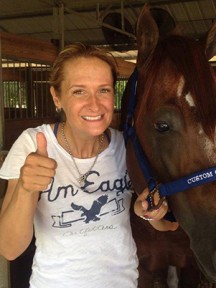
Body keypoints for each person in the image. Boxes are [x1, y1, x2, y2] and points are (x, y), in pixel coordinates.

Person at [0, 43, 178, 288]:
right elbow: (9, 249)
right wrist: (25, 189)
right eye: (79, 91)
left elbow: (166, 224)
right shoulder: (33, 144)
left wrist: (148, 210)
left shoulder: (126, 146)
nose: (94, 105)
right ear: (56, 97)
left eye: (103, 90)